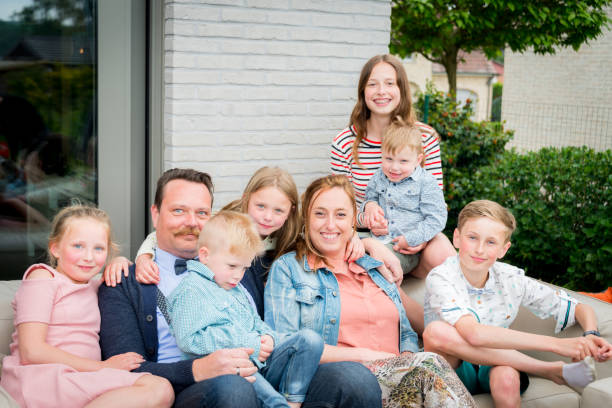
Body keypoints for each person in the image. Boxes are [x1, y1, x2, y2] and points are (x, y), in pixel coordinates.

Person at [99, 168, 383, 408]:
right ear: (155, 213)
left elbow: (316, 238)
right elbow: (126, 368)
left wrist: (364, 241)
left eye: (201, 212)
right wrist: (196, 370)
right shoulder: (124, 281)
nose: (191, 222)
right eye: (178, 211)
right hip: (194, 386)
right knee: (233, 388)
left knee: (356, 379)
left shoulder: (240, 262)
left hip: (264, 370)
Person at [265, 174, 477, 408]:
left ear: (353, 223)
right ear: (306, 218)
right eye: (320, 213)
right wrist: (368, 356)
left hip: (396, 376)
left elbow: (405, 332)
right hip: (339, 378)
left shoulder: (375, 267)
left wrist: (406, 361)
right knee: (428, 365)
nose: (330, 224)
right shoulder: (289, 269)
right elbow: (286, 345)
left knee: (424, 371)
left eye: (341, 214)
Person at [423, 200, 612, 408]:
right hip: (451, 368)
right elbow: (473, 334)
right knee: (436, 331)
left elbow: (579, 307)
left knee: (506, 376)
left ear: (504, 249)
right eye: (472, 238)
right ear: (457, 238)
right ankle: (546, 369)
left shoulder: (510, 278)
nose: (479, 249)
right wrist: (558, 345)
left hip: (497, 364)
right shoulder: (441, 277)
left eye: (491, 242)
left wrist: (591, 334)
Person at [0, 204, 174, 408]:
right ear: (55, 248)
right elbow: (32, 351)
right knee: (158, 389)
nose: (89, 257)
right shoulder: (43, 276)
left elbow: (123, 270)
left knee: (157, 388)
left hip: (80, 378)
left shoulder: (95, 286)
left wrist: (119, 261)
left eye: (99, 248)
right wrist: (103, 367)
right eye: (78, 246)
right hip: (42, 377)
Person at [168, 211, 323, 408]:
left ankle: (293, 399)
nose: (238, 275)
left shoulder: (233, 287)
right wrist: (250, 342)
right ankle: (279, 403)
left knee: (310, 340)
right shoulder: (192, 289)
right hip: (228, 369)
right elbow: (190, 340)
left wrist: (267, 337)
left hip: (257, 361)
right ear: (205, 256)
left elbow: (253, 321)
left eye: (244, 268)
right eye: (232, 266)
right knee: (274, 402)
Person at [331, 54, 455, 279]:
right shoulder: (344, 142)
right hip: (366, 239)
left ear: (402, 89)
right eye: (372, 84)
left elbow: (436, 202)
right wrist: (368, 218)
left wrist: (420, 238)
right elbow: (339, 208)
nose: (381, 91)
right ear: (363, 91)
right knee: (377, 271)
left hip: (415, 237)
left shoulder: (424, 137)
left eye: (390, 83)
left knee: (446, 259)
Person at [362, 120, 447, 275]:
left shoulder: (426, 183)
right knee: (345, 248)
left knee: (376, 266)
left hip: (403, 248)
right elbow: (371, 196)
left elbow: (437, 218)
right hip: (375, 237)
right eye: (388, 159)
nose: (394, 167)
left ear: (418, 160)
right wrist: (370, 205)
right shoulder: (379, 176)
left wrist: (412, 238)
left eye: (403, 161)